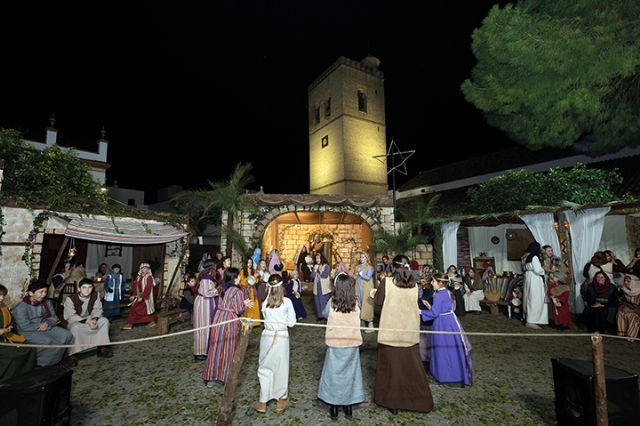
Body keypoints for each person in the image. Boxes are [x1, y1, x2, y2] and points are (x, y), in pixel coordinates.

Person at [373, 254, 433, 414]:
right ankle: (417, 401)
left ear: (393, 267)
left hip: (390, 332)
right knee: (411, 368)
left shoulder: (386, 283)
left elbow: (378, 302)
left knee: (391, 369)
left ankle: (391, 402)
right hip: (409, 332)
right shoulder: (415, 286)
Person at [318, 273, 365, 420]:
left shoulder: (332, 302)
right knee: (350, 375)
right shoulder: (355, 303)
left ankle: (333, 407)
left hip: (335, 343)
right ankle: (348, 407)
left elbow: (325, 314)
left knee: (333, 374)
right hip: (351, 343)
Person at [253, 274, 296, 414]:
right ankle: (281, 398)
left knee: (265, 366)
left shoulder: (265, 303)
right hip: (281, 337)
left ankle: (263, 401)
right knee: (281, 368)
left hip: (267, 336)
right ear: (281, 287)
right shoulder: (287, 302)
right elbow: (292, 322)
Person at [202, 268, 253, 386]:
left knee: (216, 347)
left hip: (219, 318)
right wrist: (245, 305)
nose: (240, 278)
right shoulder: (237, 291)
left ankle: (211, 377)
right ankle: (224, 377)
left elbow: (226, 303)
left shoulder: (223, 288)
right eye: (238, 276)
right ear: (234, 278)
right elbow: (239, 309)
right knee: (228, 348)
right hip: (229, 320)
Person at [420, 273, 473, 387]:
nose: (432, 283)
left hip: (443, 323)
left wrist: (420, 311)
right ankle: (455, 373)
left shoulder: (439, 294)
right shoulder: (446, 292)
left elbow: (435, 313)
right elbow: (441, 308)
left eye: (433, 281)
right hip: (450, 321)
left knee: (443, 348)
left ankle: (446, 375)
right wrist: (430, 306)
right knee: (451, 347)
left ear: (440, 283)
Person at [12, 281, 75, 367]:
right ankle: (43, 364)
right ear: (31, 293)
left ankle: (60, 358)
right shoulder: (20, 307)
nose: (44, 294)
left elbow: (54, 317)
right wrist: (40, 325)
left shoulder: (47, 302)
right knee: (48, 342)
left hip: (45, 326)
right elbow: (24, 326)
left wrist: (47, 323)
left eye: (45, 291)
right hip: (27, 330)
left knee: (67, 335)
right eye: (41, 292)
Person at [63, 278, 113, 358]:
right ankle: (73, 354)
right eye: (84, 287)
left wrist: (94, 319)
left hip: (91, 318)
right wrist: (87, 322)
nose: (87, 290)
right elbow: (70, 315)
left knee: (104, 321)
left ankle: (102, 347)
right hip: (77, 321)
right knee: (75, 328)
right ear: (79, 289)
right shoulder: (70, 299)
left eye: (90, 287)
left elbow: (98, 309)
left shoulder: (95, 295)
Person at [0, 284, 36, 381]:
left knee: (30, 347)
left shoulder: (3, 307)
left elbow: (11, 320)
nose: (2, 298)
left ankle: (24, 375)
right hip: (1, 341)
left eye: (3, 295)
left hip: (7, 336)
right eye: (0, 295)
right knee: (12, 356)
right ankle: (6, 380)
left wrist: (10, 326)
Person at [192, 262, 218, 361]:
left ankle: (200, 351)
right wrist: (217, 290)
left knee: (201, 327)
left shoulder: (203, 278)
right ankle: (201, 352)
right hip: (204, 304)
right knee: (204, 327)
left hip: (202, 302)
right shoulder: (207, 279)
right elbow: (207, 293)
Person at [121, 263, 157, 330]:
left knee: (138, 308)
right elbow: (136, 288)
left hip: (146, 296)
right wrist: (134, 296)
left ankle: (131, 323)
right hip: (139, 295)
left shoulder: (149, 278)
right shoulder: (138, 278)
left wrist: (142, 297)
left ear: (149, 270)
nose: (145, 270)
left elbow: (148, 288)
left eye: (147, 269)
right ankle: (132, 323)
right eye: (144, 268)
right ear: (141, 269)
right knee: (136, 308)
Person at [522, 242, 548, 329]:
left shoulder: (525, 257)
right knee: (535, 299)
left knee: (529, 297)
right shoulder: (534, 257)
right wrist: (543, 270)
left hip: (528, 277)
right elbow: (537, 270)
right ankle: (532, 320)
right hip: (535, 279)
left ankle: (530, 318)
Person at [354, 252, 375, 332]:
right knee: (359, 303)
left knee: (367, 304)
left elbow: (368, 277)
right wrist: (355, 274)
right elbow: (356, 277)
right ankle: (362, 322)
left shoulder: (370, 267)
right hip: (358, 287)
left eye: (363, 257)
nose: (361, 259)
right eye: (361, 257)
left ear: (366, 258)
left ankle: (370, 324)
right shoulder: (358, 267)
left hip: (366, 288)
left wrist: (360, 273)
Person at [616, 274, 640, 341]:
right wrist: (623, 307)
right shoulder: (624, 290)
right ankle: (622, 334)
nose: (626, 282)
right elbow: (621, 301)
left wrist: (632, 310)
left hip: (637, 311)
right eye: (625, 281)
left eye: (628, 281)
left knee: (632, 317)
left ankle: (630, 337)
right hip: (628, 308)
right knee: (620, 312)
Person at [239, 258, 261, 327]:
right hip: (246, 290)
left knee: (254, 304)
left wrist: (256, 277)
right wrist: (251, 278)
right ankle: (247, 321)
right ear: (245, 263)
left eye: (251, 262)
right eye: (248, 262)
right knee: (248, 305)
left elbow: (256, 281)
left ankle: (254, 323)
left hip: (252, 290)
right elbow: (242, 281)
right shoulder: (242, 271)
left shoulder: (253, 271)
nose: (250, 264)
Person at [312, 253, 332, 320]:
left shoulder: (326, 266)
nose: (317, 260)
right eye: (316, 258)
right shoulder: (315, 266)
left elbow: (325, 275)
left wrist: (320, 271)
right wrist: (314, 272)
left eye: (318, 258)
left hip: (324, 287)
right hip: (317, 285)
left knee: (323, 300)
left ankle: (325, 315)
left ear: (321, 258)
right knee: (317, 300)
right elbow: (311, 276)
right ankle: (320, 315)